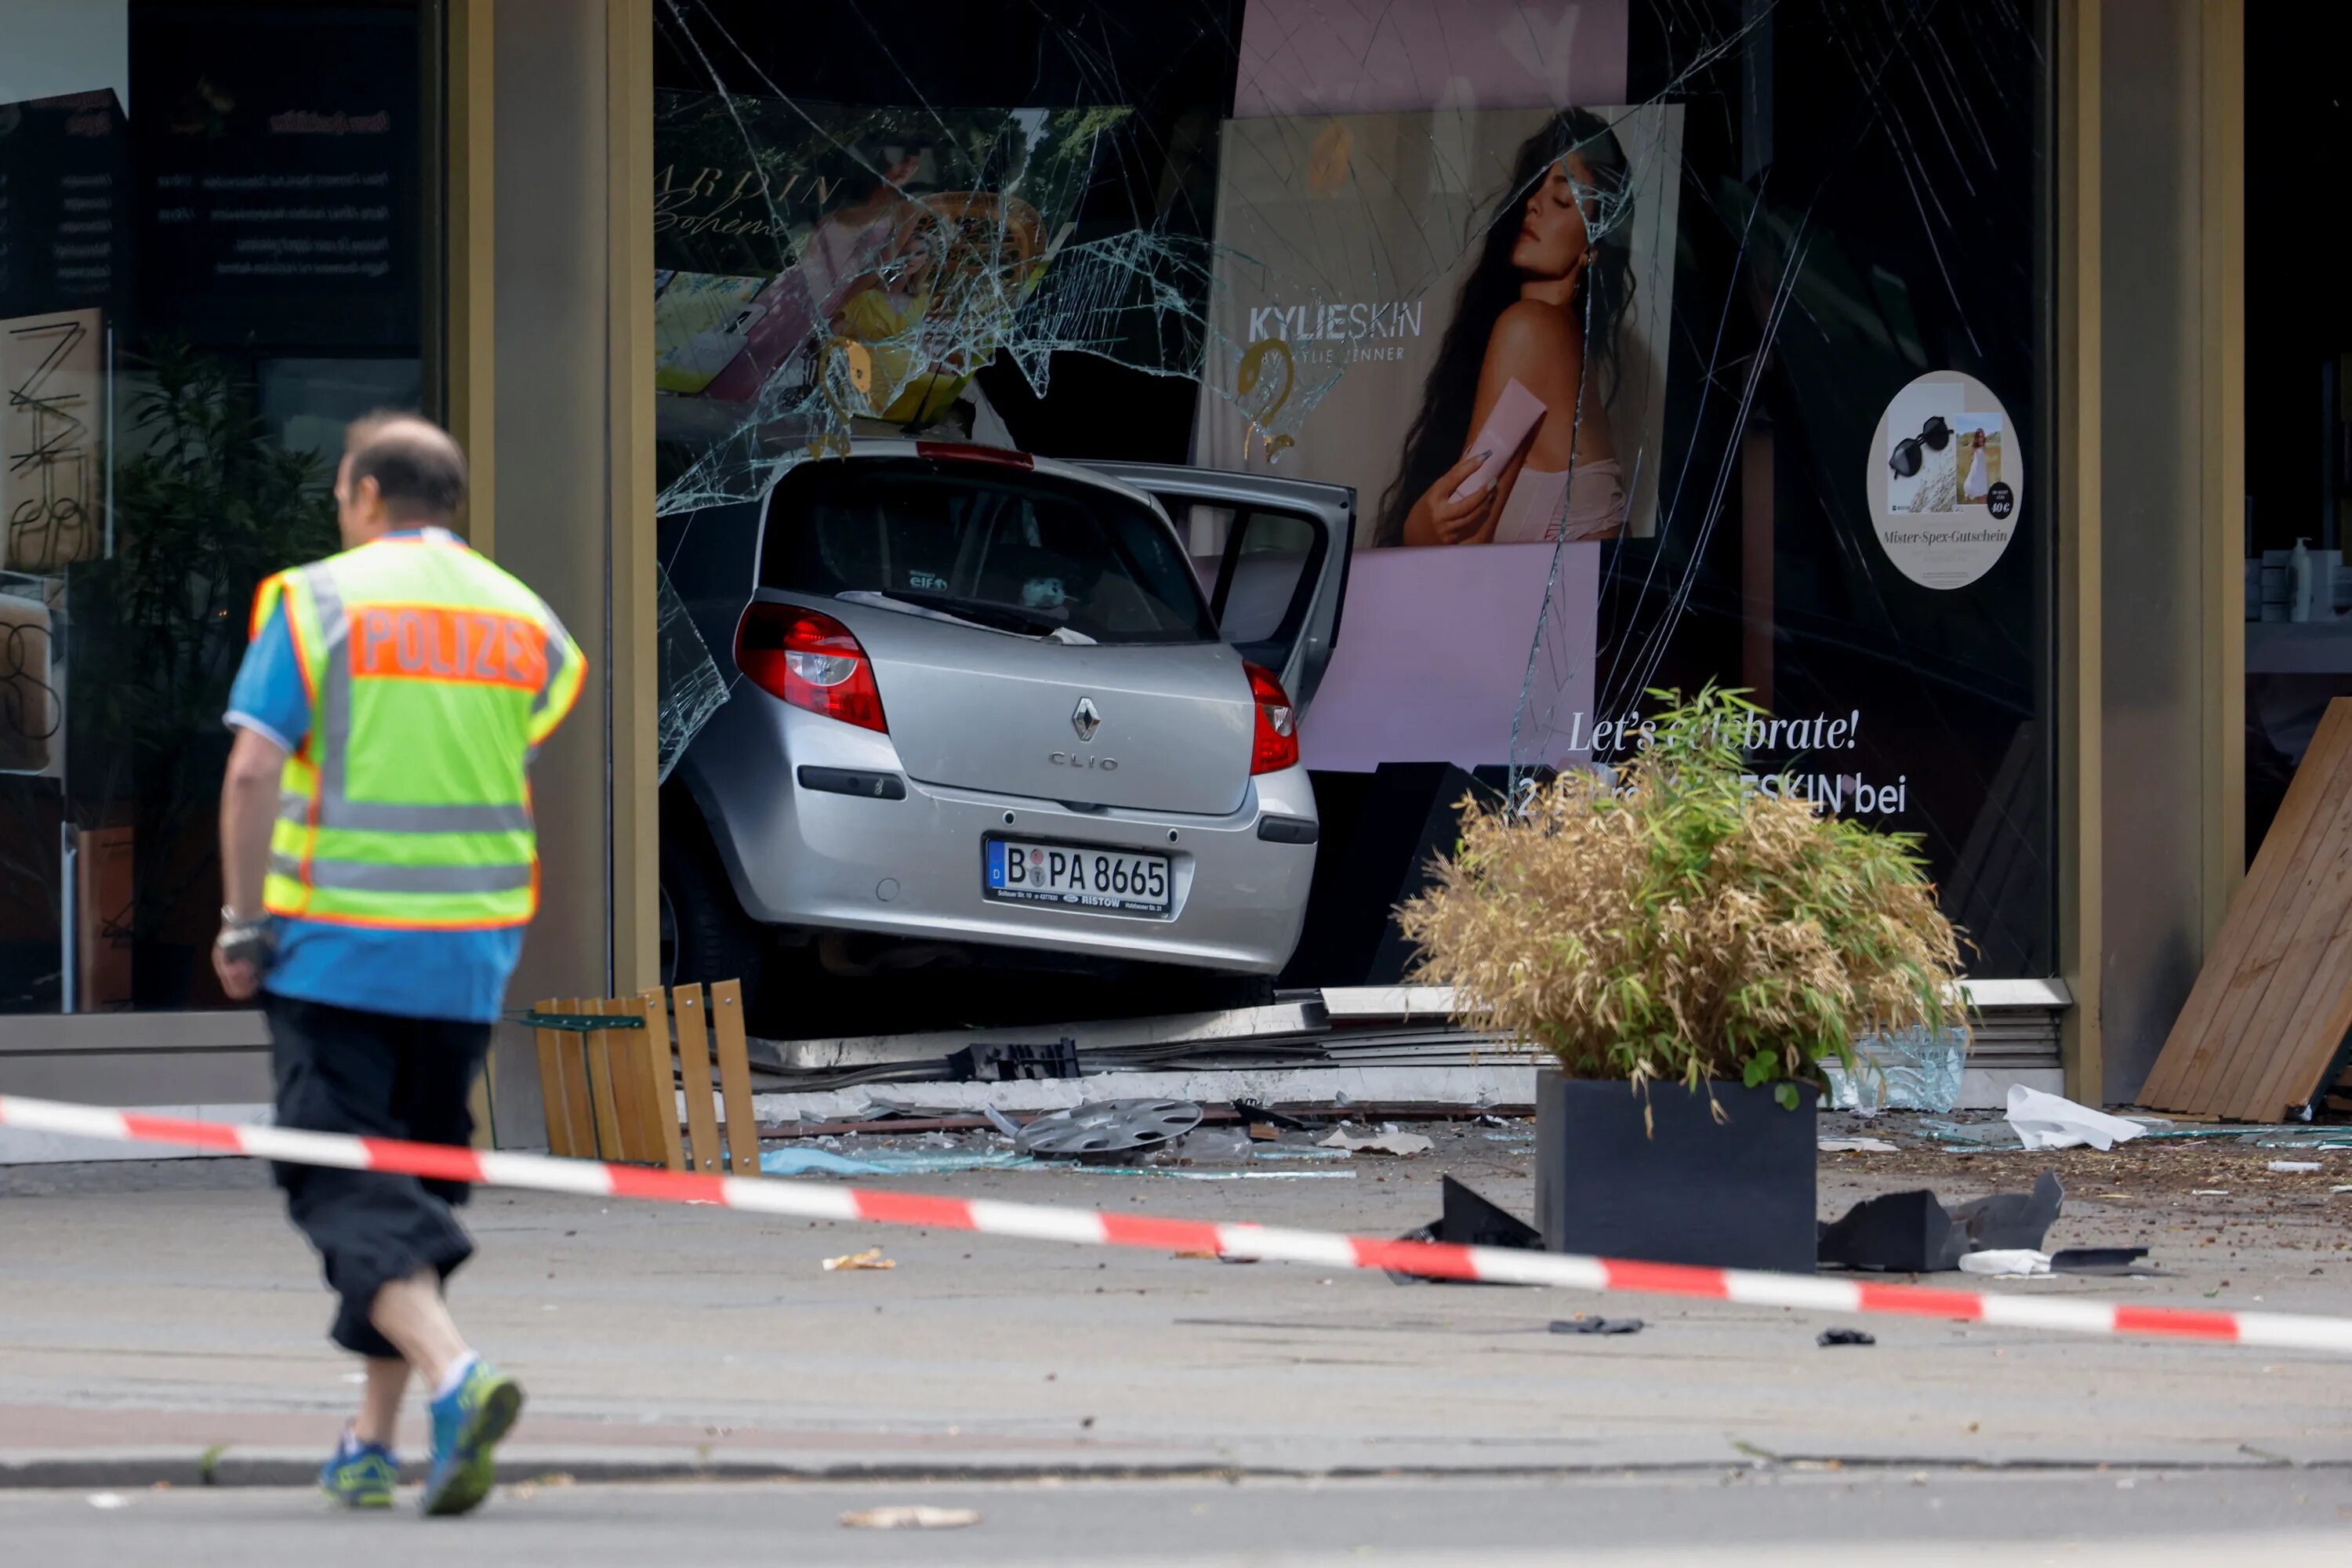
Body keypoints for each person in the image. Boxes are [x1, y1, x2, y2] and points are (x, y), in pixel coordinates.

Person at [212, 412, 586, 1515]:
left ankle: (460, 1379)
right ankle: (370, 1445)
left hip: (334, 950)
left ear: (365, 494)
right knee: (407, 1183)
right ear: (451, 502)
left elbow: (250, 774)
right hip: (468, 956)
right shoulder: (527, 620)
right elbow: (523, 736)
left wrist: (241, 924)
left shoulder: (318, 600)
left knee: (341, 1182)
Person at [1377, 110, 1635, 548]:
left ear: (1595, 242)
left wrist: (1416, 529)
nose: (1534, 203)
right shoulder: (1564, 345)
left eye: (1562, 200)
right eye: (1534, 189)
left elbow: (1461, 543)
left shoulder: (1533, 331)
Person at [1962, 429, 1991, 503]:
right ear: (1977, 438)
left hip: (1982, 478)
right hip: (1978, 478)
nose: (1981, 439)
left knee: (1983, 500)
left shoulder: (1983, 448)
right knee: (1982, 500)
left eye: (1982, 436)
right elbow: (1974, 468)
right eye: (1979, 437)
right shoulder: (1977, 450)